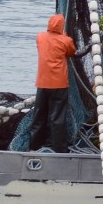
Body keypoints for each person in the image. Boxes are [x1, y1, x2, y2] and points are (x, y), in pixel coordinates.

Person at [29, 13, 77, 152]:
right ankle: (60, 149)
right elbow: (71, 52)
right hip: (59, 85)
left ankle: (34, 146)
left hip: (42, 84)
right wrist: (65, 37)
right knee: (57, 119)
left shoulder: (40, 37)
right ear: (61, 26)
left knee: (38, 116)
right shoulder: (66, 40)